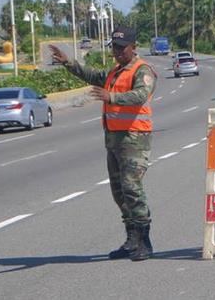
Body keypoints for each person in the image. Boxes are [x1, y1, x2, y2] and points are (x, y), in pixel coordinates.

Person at [49, 26, 157, 261]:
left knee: (132, 189)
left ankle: (144, 241)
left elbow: (141, 95)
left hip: (134, 139)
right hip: (114, 139)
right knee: (119, 192)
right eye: (115, 48)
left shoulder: (142, 70)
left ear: (133, 47)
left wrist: (113, 97)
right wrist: (69, 62)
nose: (117, 52)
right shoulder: (116, 71)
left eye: (122, 48)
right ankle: (131, 239)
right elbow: (93, 76)